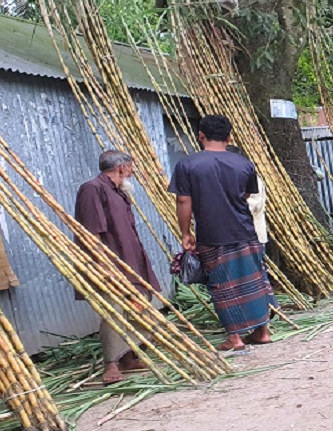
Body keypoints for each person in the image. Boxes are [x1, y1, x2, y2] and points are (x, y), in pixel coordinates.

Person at [170, 114, 276, 351]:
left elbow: (183, 201)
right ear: (229, 137)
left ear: (200, 136)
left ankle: (235, 338)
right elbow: (247, 195)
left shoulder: (187, 164)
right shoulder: (244, 164)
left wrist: (186, 232)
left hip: (212, 234)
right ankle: (262, 331)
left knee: (222, 284)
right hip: (246, 231)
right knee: (255, 280)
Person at [74, 150, 160, 384]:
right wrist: (104, 266)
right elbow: (91, 232)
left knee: (139, 305)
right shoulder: (93, 189)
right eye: (131, 167)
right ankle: (111, 365)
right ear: (122, 167)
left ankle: (129, 356)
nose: (132, 172)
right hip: (109, 263)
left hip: (130, 260)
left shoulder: (120, 191)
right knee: (113, 310)